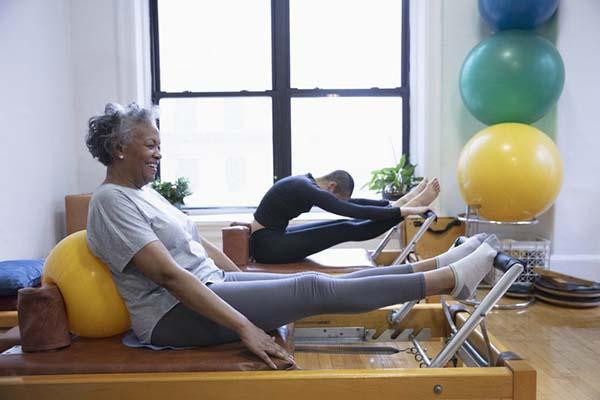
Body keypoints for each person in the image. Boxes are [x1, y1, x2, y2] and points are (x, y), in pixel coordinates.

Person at [85, 103, 499, 369]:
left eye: (160, 145)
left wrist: (239, 275)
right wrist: (247, 326)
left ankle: (437, 265)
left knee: (325, 282)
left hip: (208, 284)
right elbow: (169, 276)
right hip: (169, 315)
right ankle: (453, 281)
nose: (160, 153)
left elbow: (197, 243)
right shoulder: (110, 201)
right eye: (151, 145)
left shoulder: (146, 194)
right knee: (312, 288)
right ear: (120, 148)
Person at [250, 171, 440, 263]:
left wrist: (388, 205)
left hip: (268, 239)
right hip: (268, 247)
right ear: (332, 186)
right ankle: (407, 206)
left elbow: (352, 203)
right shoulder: (307, 188)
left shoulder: (305, 183)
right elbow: (353, 210)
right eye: (337, 197)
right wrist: (402, 212)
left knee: (343, 224)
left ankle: (403, 203)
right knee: (346, 228)